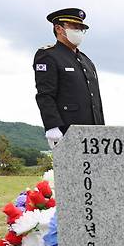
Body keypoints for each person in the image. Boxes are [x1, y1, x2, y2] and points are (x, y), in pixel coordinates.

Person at [33, 8, 104, 149]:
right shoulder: (48, 55)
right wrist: (52, 126)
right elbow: (45, 95)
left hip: (94, 133)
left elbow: (95, 100)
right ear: (59, 29)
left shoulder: (86, 61)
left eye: (80, 28)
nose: (78, 31)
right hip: (67, 130)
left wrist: (102, 129)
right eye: (74, 27)